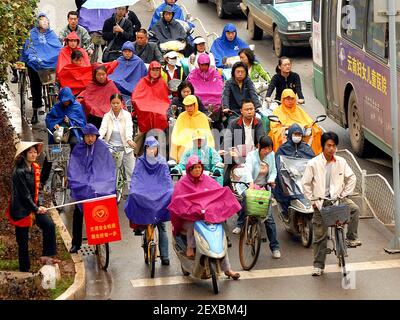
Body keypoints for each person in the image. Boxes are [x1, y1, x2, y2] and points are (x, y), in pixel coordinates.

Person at [168, 155, 241, 279]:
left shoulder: (208, 180)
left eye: (199, 167)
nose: (197, 170)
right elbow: (178, 201)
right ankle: (190, 247)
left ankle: (228, 269)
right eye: (194, 168)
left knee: (220, 236)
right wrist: (192, 209)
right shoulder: (182, 184)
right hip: (190, 218)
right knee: (193, 224)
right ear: (189, 170)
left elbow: (217, 193)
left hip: (207, 216)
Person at [302, 132, 361, 277]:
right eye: (329, 145)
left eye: (334, 146)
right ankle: (318, 265)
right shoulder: (313, 163)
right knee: (320, 236)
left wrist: (345, 194)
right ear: (323, 146)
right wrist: (313, 201)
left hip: (338, 199)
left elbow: (351, 177)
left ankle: (351, 238)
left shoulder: (341, 161)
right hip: (321, 202)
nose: (331, 149)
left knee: (355, 209)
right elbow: (305, 184)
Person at [6, 141, 60, 271]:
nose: (33, 154)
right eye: (30, 152)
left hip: (34, 206)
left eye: (35, 152)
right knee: (23, 242)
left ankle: (47, 256)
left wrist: (39, 205)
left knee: (49, 225)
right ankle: (25, 270)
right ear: (24, 155)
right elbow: (24, 195)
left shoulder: (35, 167)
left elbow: (38, 187)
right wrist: (36, 208)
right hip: (21, 210)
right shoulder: (18, 172)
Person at [67, 124, 116, 253]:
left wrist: (104, 182)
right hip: (83, 184)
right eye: (87, 136)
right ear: (83, 137)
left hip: (100, 182)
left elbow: (108, 168)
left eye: (92, 136)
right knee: (78, 212)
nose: (90, 139)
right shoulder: (78, 149)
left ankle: (104, 237)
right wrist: (78, 181)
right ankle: (76, 243)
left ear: (96, 136)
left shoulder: (103, 148)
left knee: (104, 206)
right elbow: (74, 168)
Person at [125, 136, 173, 265]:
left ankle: (165, 255)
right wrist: (134, 190)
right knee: (134, 196)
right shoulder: (140, 161)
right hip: (145, 194)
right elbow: (136, 178)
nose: (152, 151)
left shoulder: (162, 162)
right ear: (146, 149)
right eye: (149, 148)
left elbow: (167, 180)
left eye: (154, 148)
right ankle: (139, 227)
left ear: (157, 149)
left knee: (162, 226)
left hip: (159, 196)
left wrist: (169, 191)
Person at [232, 136, 281, 258]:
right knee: (246, 202)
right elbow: (248, 170)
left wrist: (270, 180)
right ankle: (240, 223)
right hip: (249, 185)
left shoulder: (271, 156)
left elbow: (274, 171)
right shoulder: (251, 156)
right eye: (265, 149)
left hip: (264, 188)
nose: (267, 151)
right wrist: (251, 183)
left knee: (269, 218)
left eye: (270, 149)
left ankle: (275, 247)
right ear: (259, 147)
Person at [21, 13, 62, 124]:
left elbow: (58, 48)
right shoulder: (32, 34)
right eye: (42, 20)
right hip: (36, 63)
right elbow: (29, 49)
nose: (45, 22)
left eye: (46, 20)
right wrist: (35, 58)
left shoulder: (51, 34)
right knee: (35, 85)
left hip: (49, 64)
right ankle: (35, 111)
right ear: (38, 23)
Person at [273, 123, 315, 218]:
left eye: (299, 135)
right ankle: (285, 213)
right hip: (288, 179)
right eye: (295, 134)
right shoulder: (283, 149)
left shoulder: (306, 148)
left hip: (302, 178)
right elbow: (278, 167)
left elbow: (313, 163)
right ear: (290, 134)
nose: (297, 137)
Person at [131, 61, 170, 155]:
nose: (155, 72)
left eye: (157, 70)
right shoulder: (143, 81)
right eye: (153, 70)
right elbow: (135, 97)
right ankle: (135, 152)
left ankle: (160, 152)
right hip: (144, 112)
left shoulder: (162, 83)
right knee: (142, 129)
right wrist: (143, 107)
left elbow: (165, 100)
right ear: (150, 70)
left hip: (158, 112)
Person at [99, 93, 136, 191]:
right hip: (111, 148)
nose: (115, 105)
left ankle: (132, 195)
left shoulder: (127, 115)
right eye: (113, 103)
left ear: (122, 104)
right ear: (110, 104)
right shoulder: (107, 116)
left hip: (126, 146)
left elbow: (129, 128)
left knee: (131, 172)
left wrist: (129, 139)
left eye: (117, 103)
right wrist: (97, 139)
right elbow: (102, 129)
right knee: (110, 172)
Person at [268, 89, 323, 155]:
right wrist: (284, 128)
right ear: (283, 99)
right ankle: (278, 156)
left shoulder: (298, 109)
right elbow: (274, 126)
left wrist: (310, 126)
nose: (290, 101)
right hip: (286, 134)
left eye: (292, 99)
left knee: (317, 130)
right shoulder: (277, 111)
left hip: (301, 133)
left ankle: (314, 155)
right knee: (276, 135)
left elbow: (309, 121)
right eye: (287, 99)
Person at [170, 95, 215, 162]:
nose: (189, 108)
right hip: (184, 143)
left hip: (199, 143)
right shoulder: (181, 116)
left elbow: (207, 135)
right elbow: (176, 134)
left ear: (195, 105)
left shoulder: (202, 117)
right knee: (183, 148)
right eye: (187, 106)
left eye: (191, 106)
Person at [108, 41, 147, 109]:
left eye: (129, 51)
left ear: (133, 52)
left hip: (133, 85)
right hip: (118, 85)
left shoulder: (138, 61)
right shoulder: (119, 60)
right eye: (125, 51)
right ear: (122, 52)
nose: (127, 53)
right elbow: (113, 73)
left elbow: (144, 76)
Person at [80, 65, 121, 129]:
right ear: (95, 76)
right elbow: (87, 100)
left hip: (109, 114)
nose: (101, 77)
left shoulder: (110, 84)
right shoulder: (91, 85)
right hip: (94, 116)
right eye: (98, 75)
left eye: (103, 74)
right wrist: (95, 108)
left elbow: (118, 99)